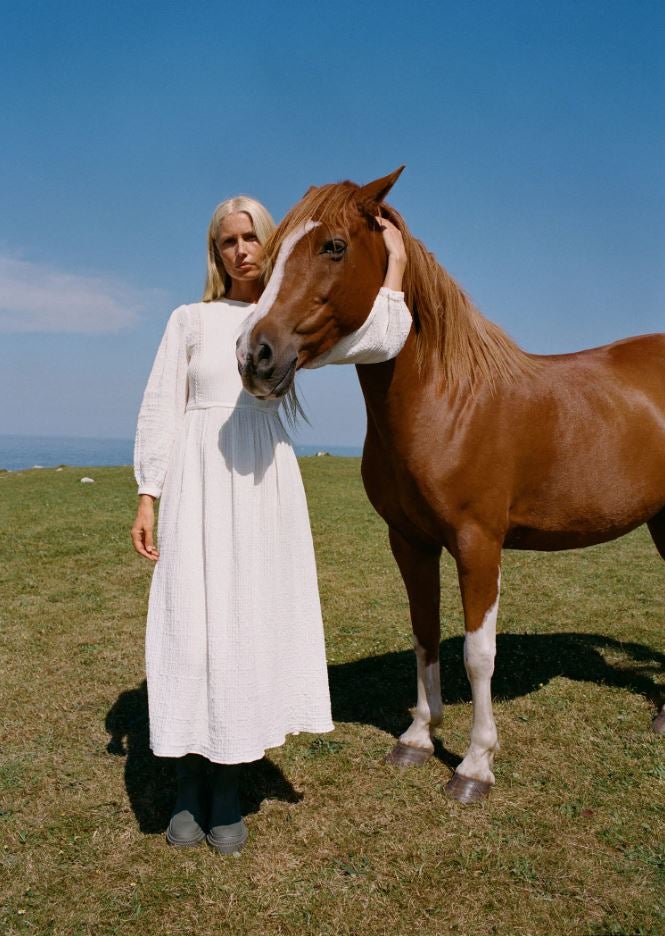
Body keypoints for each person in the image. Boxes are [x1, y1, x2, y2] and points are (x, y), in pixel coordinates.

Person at [130, 194, 411, 854]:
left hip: (263, 486)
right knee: (191, 630)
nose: (241, 250)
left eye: (252, 237)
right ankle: (185, 786)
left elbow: (379, 337)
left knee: (245, 629)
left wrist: (394, 262)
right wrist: (149, 494)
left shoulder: (284, 316)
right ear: (216, 252)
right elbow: (160, 408)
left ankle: (228, 788)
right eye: (228, 241)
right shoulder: (188, 320)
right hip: (198, 482)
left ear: (269, 243)